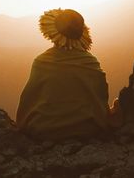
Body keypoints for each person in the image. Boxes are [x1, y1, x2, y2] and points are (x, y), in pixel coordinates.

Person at [16, 8, 123, 140]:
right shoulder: (90, 62)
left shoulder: (41, 62)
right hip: (87, 130)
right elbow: (99, 101)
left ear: (51, 32)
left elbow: (28, 101)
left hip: (44, 130)